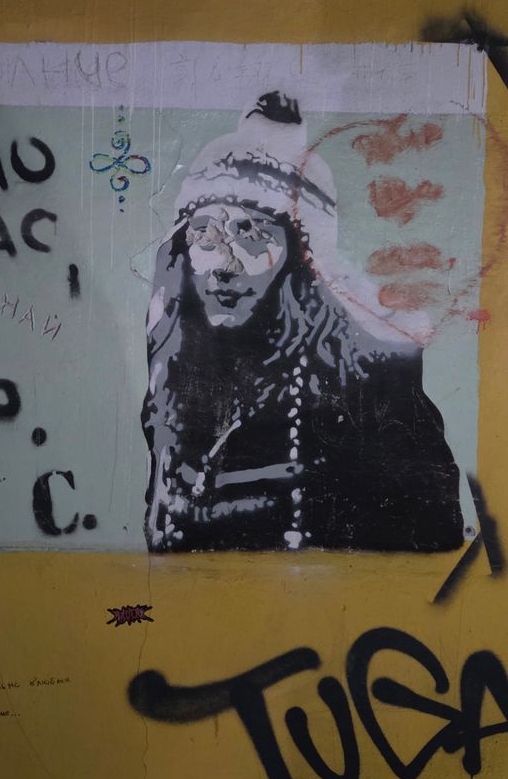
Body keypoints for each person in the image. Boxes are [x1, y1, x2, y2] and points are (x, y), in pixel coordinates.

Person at [141, 92, 464, 553]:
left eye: (252, 233)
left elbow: (435, 526)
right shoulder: (178, 374)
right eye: (205, 233)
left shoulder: (370, 379)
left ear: (300, 260)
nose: (223, 263)